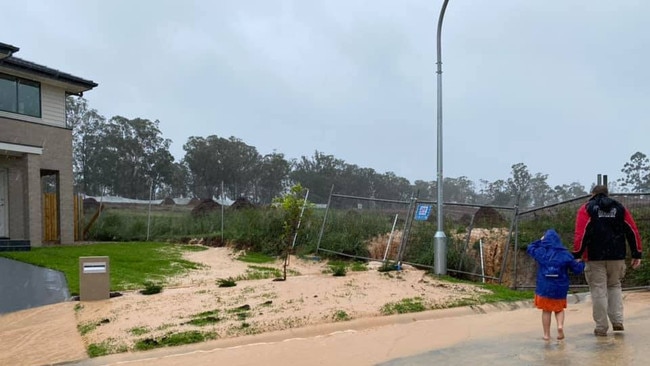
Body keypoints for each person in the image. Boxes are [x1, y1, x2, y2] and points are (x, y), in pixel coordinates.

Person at [573, 184, 643, 337]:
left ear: (592, 194)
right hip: (617, 256)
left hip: (594, 257)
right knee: (615, 286)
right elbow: (632, 230)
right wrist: (636, 253)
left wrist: (577, 253)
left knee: (598, 289)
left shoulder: (587, 208)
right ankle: (617, 320)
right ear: (607, 193)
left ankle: (601, 327)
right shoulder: (619, 208)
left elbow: (581, 233)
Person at [528, 229, 585, 341]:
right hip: (560, 287)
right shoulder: (565, 254)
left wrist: (540, 241)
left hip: (544, 287)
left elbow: (530, 247)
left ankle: (546, 334)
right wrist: (582, 263)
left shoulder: (541, 252)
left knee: (546, 310)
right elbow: (577, 269)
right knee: (559, 309)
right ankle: (559, 326)